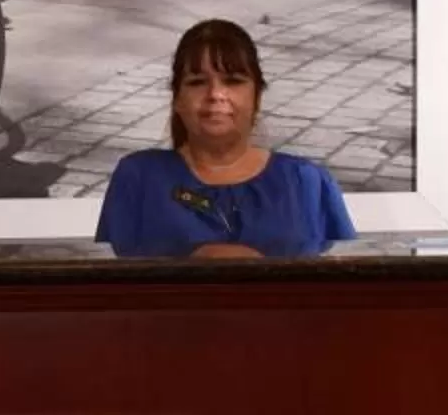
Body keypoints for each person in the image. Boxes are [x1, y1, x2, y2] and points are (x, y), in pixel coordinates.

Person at [93, 19, 358, 257]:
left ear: (257, 96)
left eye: (233, 81)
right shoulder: (139, 177)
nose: (216, 94)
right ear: (177, 100)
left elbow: (345, 288)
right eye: (197, 82)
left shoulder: (306, 182)